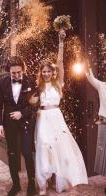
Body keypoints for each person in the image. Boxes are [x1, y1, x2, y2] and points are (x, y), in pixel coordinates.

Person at [35, 30, 88, 195]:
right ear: (41, 73)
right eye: (43, 71)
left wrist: (61, 42)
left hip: (56, 117)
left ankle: (59, 179)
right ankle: (43, 183)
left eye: (48, 71)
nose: (46, 73)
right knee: (44, 146)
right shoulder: (39, 87)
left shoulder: (58, 84)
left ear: (53, 72)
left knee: (58, 146)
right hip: (42, 118)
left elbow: (60, 61)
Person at [0, 57, 36, 196]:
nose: (17, 75)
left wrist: (22, 113)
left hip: (26, 122)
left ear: (23, 69)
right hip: (9, 123)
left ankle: (31, 184)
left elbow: (35, 106)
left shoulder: (31, 81)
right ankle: (16, 185)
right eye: (13, 73)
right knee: (12, 154)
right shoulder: (1, 83)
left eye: (19, 72)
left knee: (27, 152)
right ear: (8, 72)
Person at [86, 62, 106, 193]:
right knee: (105, 153)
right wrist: (87, 67)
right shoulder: (102, 86)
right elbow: (90, 78)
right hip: (104, 124)